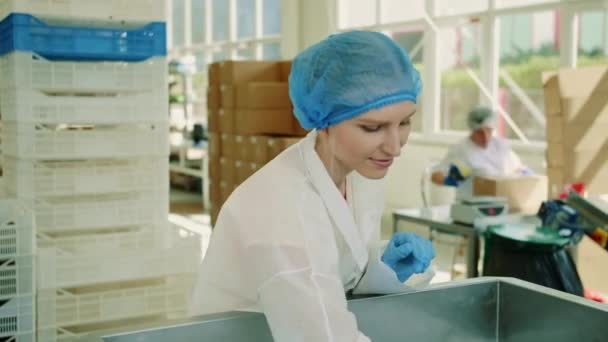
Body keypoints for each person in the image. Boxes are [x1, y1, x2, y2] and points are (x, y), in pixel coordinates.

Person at [190, 31, 436, 341]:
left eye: (404, 123)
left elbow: (330, 275)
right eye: (372, 127)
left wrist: (381, 268)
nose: (395, 147)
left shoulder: (357, 173)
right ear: (325, 121)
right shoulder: (282, 207)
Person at [431, 106, 530, 199]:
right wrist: (448, 180)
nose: (485, 136)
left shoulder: (500, 145)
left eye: (488, 131)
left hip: (502, 202)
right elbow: (435, 176)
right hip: (472, 205)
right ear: (472, 130)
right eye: (480, 132)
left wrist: (526, 174)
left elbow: (518, 167)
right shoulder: (461, 149)